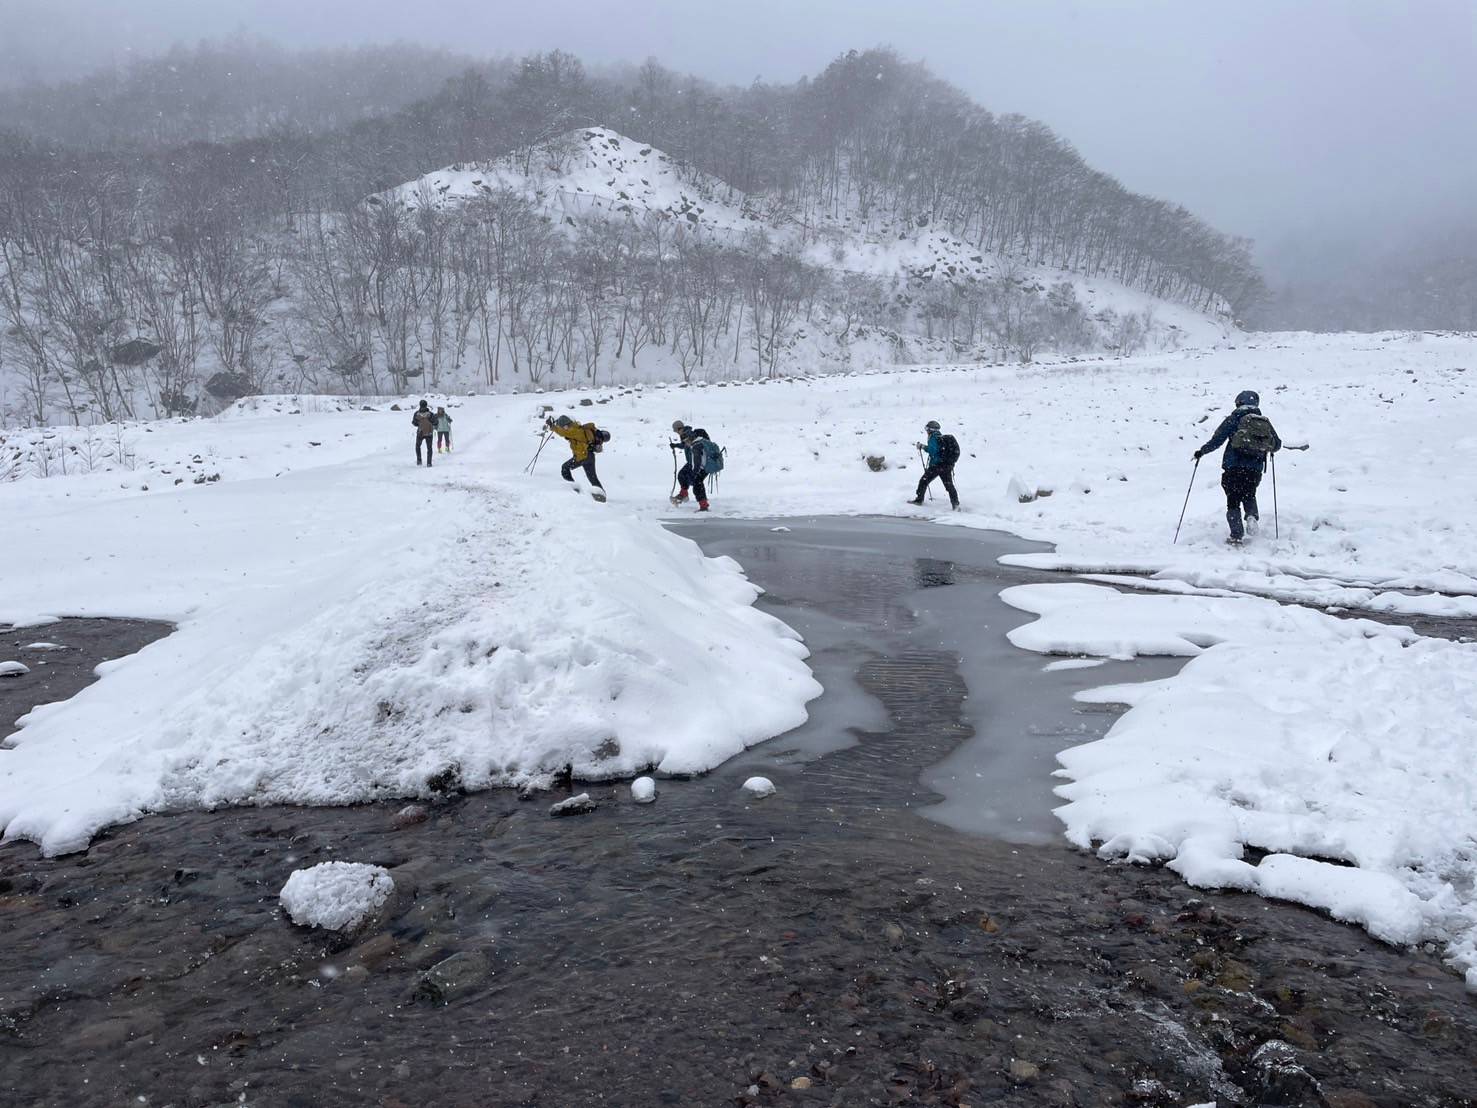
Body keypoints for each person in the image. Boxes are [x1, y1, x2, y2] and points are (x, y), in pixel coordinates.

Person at [1195, 389, 1282, 544]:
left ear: (1238, 403)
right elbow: (1277, 444)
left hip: (1233, 466)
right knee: (1249, 493)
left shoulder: (1234, 418)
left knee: (1233, 499)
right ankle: (1251, 516)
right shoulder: (1264, 421)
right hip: (1255, 469)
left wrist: (1202, 451)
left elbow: (1217, 440)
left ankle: (1236, 535)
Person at [546, 414, 609, 499]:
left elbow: (562, 432)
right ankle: (601, 495)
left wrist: (552, 426)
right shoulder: (581, 429)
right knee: (593, 478)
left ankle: (573, 490)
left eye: (565, 426)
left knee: (565, 468)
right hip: (590, 457)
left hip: (582, 457)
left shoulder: (576, 430)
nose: (565, 428)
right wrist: (555, 424)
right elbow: (565, 431)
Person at [908, 420, 960, 510]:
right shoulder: (941, 437)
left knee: (923, 481)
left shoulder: (934, 437)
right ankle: (956, 505)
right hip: (946, 466)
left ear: (931, 429)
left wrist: (922, 446)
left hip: (937, 466)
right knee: (949, 485)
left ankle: (919, 500)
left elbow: (933, 450)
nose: (926, 430)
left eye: (927, 428)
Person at [670, 420, 711, 511]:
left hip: (701, 464)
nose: (676, 433)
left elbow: (696, 452)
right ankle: (683, 494)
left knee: (697, 482)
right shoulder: (686, 436)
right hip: (693, 462)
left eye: (676, 430)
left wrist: (695, 472)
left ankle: (704, 506)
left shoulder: (689, 436)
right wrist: (676, 445)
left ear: (679, 428)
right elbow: (685, 445)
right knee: (682, 475)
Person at [411, 400, 436, 466]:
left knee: (417, 446)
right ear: (426, 405)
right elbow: (436, 422)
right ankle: (429, 463)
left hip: (420, 432)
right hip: (429, 433)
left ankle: (419, 461)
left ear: (420, 405)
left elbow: (414, 423)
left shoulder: (417, 413)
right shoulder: (430, 414)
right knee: (429, 448)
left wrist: (419, 423)